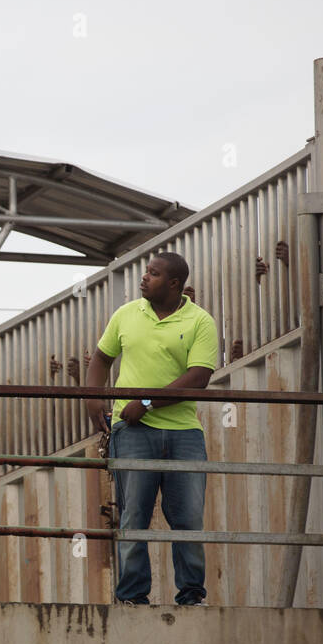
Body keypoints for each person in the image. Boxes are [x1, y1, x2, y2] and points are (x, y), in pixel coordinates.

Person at [85, 252, 219, 606]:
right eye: (146, 272)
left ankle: (192, 597)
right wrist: (92, 399)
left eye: (154, 274)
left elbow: (199, 378)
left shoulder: (200, 321)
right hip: (131, 434)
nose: (144, 278)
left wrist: (145, 404)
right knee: (133, 516)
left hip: (183, 433)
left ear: (174, 284)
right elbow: (101, 359)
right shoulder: (126, 315)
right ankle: (132, 598)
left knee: (188, 519)